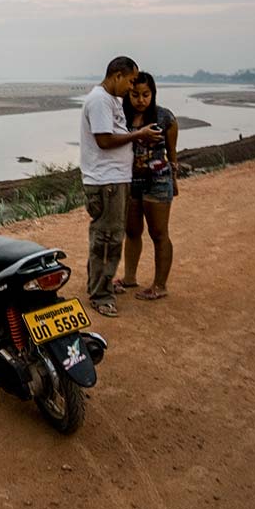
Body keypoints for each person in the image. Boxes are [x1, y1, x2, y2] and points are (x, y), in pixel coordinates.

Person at [80, 57, 162, 317]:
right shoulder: (100, 101)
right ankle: (101, 295)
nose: (131, 87)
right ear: (117, 75)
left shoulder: (109, 100)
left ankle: (98, 285)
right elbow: (104, 140)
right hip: (107, 183)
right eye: (129, 81)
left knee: (107, 235)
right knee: (108, 239)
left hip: (113, 181)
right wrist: (139, 134)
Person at [116, 72, 178, 300]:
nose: (141, 100)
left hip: (158, 182)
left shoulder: (165, 118)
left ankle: (160, 285)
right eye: (135, 95)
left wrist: (174, 180)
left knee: (159, 233)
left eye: (146, 95)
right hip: (131, 182)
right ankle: (130, 278)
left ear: (153, 94)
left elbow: (172, 154)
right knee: (132, 232)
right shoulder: (121, 117)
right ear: (128, 94)